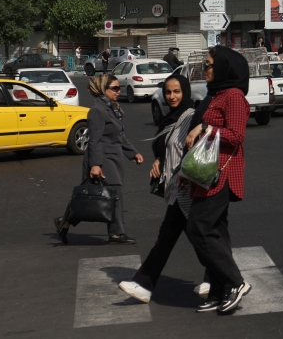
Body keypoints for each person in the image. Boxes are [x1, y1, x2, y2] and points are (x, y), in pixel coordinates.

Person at [179, 47, 251, 314]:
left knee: (198, 227)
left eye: (208, 64)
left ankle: (235, 282)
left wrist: (206, 127)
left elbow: (236, 135)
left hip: (222, 174)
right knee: (217, 232)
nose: (204, 68)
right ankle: (220, 291)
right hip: (205, 174)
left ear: (223, 67)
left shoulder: (233, 96)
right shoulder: (217, 93)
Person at [119, 75, 200, 303]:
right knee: (198, 237)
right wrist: (159, 160)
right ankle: (222, 276)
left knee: (168, 237)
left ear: (185, 92)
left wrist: (184, 173)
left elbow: (191, 148)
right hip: (175, 188)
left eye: (176, 92)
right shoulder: (170, 118)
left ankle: (144, 283)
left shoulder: (191, 117)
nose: (172, 97)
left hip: (187, 188)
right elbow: (167, 144)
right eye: (168, 92)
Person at [55, 73, 143, 245]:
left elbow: (120, 134)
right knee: (113, 194)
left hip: (113, 157)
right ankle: (117, 233)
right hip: (102, 158)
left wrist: (133, 153)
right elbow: (94, 140)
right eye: (114, 88)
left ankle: (64, 223)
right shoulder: (97, 110)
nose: (118, 91)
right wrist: (95, 164)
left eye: (119, 88)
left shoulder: (111, 107)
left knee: (87, 194)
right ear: (104, 90)